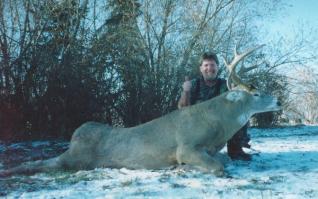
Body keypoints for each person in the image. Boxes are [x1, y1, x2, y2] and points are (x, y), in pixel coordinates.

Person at [177, 52, 252, 161]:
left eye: (212, 65)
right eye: (206, 65)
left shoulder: (226, 84)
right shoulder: (193, 84)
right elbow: (182, 108)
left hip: (219, 126)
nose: (209, 68)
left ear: (217, 67)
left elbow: (235, 108)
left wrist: (236, 93)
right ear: (201, 68)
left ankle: (236, 150)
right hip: (198, 128)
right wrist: (186, 91)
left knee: (241, 114)